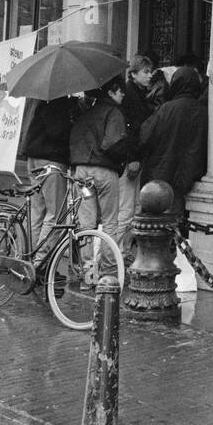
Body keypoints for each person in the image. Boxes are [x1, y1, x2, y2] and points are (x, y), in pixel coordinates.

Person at [69, 76, 129, 280]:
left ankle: (87, 273)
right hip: (103, 171)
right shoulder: (114, 112)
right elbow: (111, 144)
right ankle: (108, 272)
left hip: (81, 172)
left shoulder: (87, 112)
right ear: (112, 91)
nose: (123, 96)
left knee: (86, 223)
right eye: (121, 91)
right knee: (110, 223)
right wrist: (124, 159)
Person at [138, 65, 208, 219]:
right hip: (190, 174)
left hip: (160, 173)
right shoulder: (203, 112)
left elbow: (145, 137)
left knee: (156, 222)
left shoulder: (166, 110)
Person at [19, 95, 76, 244]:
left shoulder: (40, 99)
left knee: (37, 212)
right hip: (50, 160)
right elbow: (57, 131)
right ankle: (41, 260)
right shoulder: (58, 101)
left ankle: (26, 256)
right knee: (55, 214)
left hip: (34, 158)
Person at [117, 55, 157, 260]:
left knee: (133, 207)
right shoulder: (131, 96)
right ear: (133, 74)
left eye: (150, 72)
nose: (150, 76)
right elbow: (130, 129)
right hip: (130, 159)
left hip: (135, 158)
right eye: (146, 72)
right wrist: (133, 157)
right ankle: (118, 253)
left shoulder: (139, 94)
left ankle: (123, 251)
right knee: (127, 209)